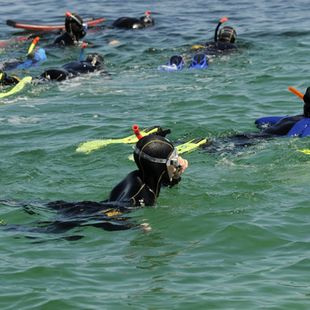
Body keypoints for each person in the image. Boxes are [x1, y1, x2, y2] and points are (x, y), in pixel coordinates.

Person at [4, 127, 188, 234]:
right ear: (160, 166)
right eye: (174, 159)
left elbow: (163, 179)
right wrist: (135, 226)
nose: (178, 162)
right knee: (43, 231)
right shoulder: (141, 196)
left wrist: (176, 174)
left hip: (87, 205)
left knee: (38, 205)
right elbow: (113, 213)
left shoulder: (142, 176)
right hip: (90, 214)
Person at [39, 52, 105, 82]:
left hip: (51, 71)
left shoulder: (76, 62)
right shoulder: (94, 67)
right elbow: (105, 76)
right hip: (64, 75)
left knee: (39, 81)